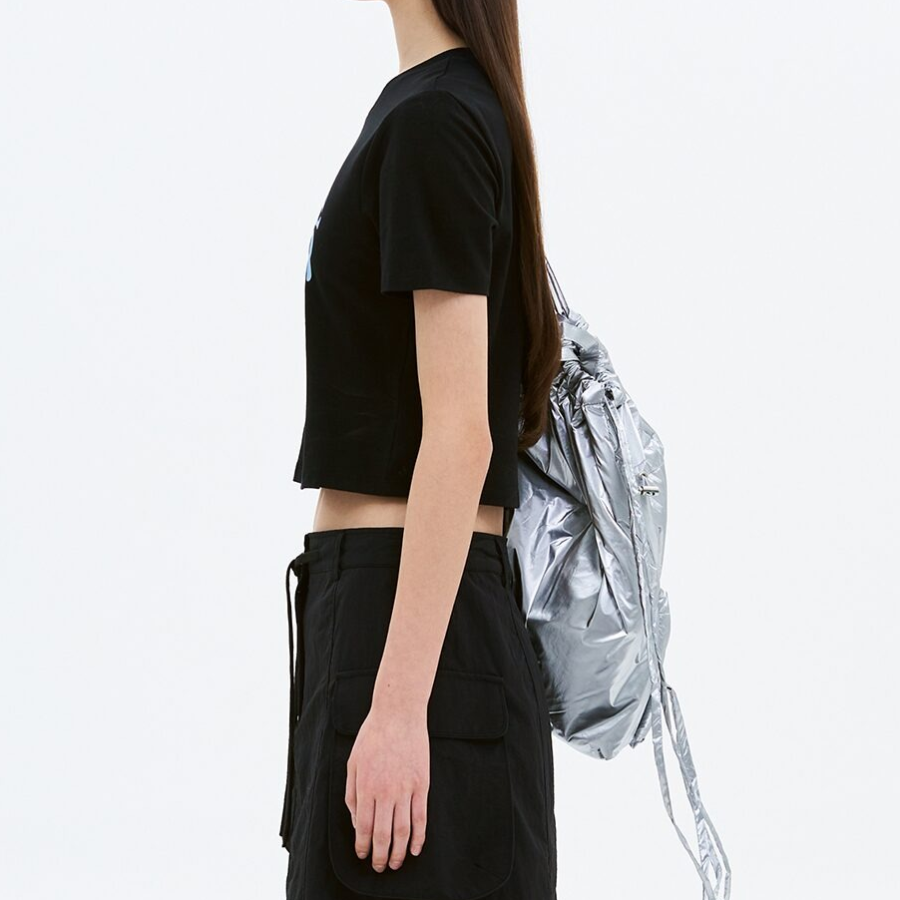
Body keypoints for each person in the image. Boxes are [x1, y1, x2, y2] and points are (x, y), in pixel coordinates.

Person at [281, 2, 563, 898]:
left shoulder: (435, 118)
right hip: (393, 612)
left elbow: (461, 431)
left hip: (408, 624)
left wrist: (399, 706)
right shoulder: (430, 107)